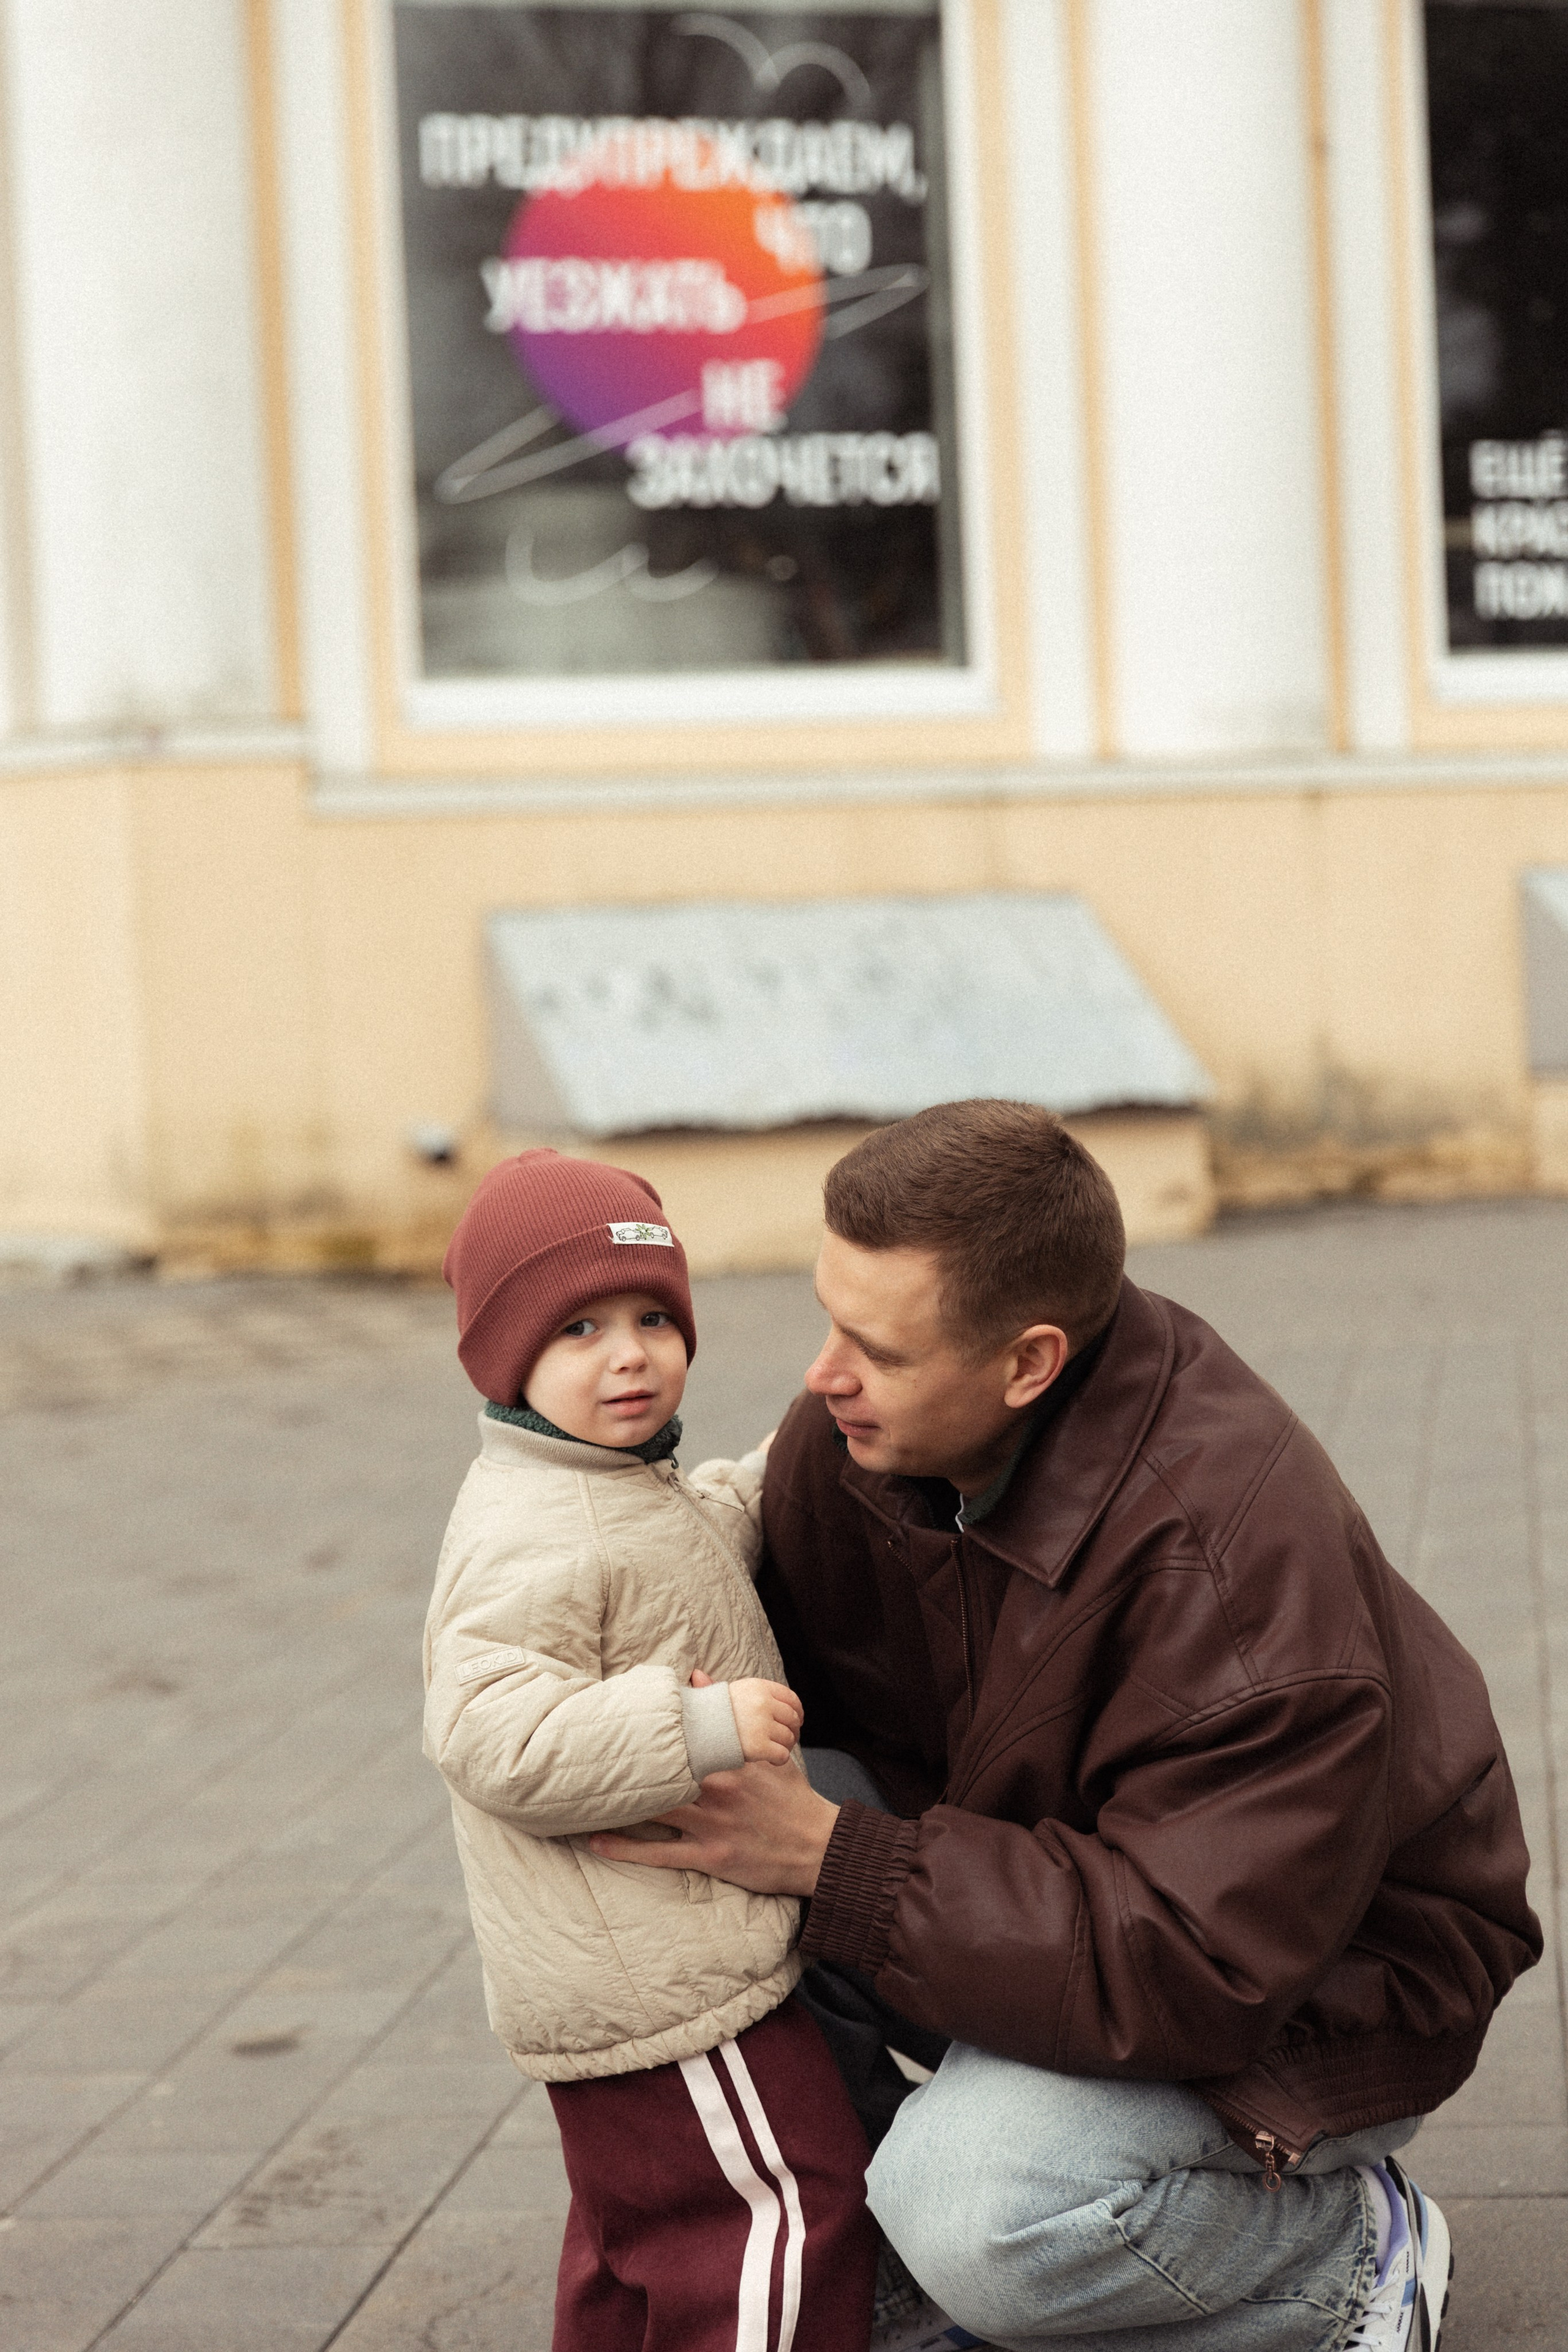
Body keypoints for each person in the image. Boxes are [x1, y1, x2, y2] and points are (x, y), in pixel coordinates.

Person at [589, 1100, 1543, 2352]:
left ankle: (1342, 2256)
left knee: (979, 2214)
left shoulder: (1234, 1578)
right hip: (1059, 1895)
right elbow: (751, 1673)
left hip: (1310, 1982)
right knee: (678, 1808)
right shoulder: (868, 1439)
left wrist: (832, 1860)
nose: (823, 1377)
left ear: (1027, 1363)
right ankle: (878, 2259)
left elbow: (1194, 1966)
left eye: (872, 1348)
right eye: (829, 1322)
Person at [427, 1148, 878, 2352]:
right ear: (505, 1358)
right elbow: (490, 1729)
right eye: (576, 1329)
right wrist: (690, 1727)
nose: (626, 1354)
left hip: (631, 1967)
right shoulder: (536, 1525)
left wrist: (783, 1474)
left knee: (637, 2240)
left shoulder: (611, 1482)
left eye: (649, 1318)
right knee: (782, 2206)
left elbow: (687, 1540)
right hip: (663, 1978)